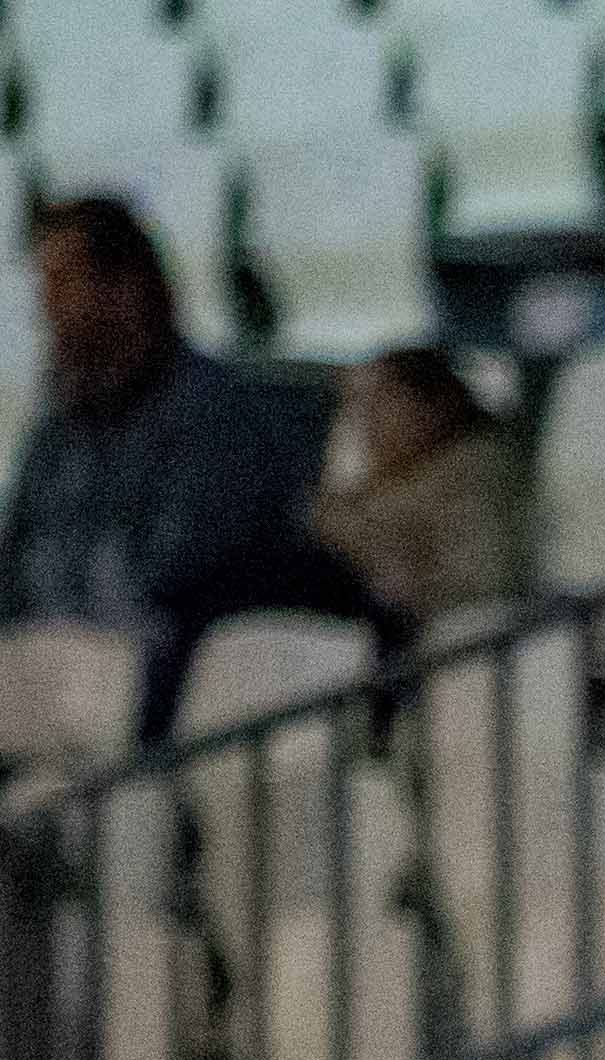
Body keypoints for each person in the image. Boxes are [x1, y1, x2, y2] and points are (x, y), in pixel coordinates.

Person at [0, 198, 357, 733]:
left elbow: (171, 579)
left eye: (63, 284)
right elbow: (15, 571)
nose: (48, 312)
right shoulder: (55, 438)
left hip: (166, 703)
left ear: (127, 289)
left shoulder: (224, 416)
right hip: (43, 690)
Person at [312, 348, 531, 640]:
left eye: (382, 400)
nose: (367, 420)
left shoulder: (472, 469)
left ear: (434, 403)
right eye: (358, 405)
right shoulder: (388, 475)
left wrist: (395, 579)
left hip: (414, 631)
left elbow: (481, 584)